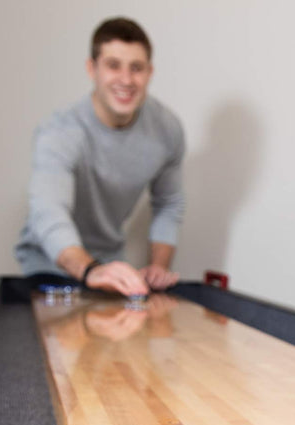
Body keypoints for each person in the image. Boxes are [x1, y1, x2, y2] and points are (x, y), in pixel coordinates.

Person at [15, 17, 184, 297]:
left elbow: (169, 203)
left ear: (150, 72)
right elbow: (48, 212)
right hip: (50, 266)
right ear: (92, 68)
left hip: (110, 266)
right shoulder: (59, 131)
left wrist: (158, 267)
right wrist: (89, 270)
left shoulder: (167, 130)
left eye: (137, 68)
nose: (126, 80)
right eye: (113, 65)